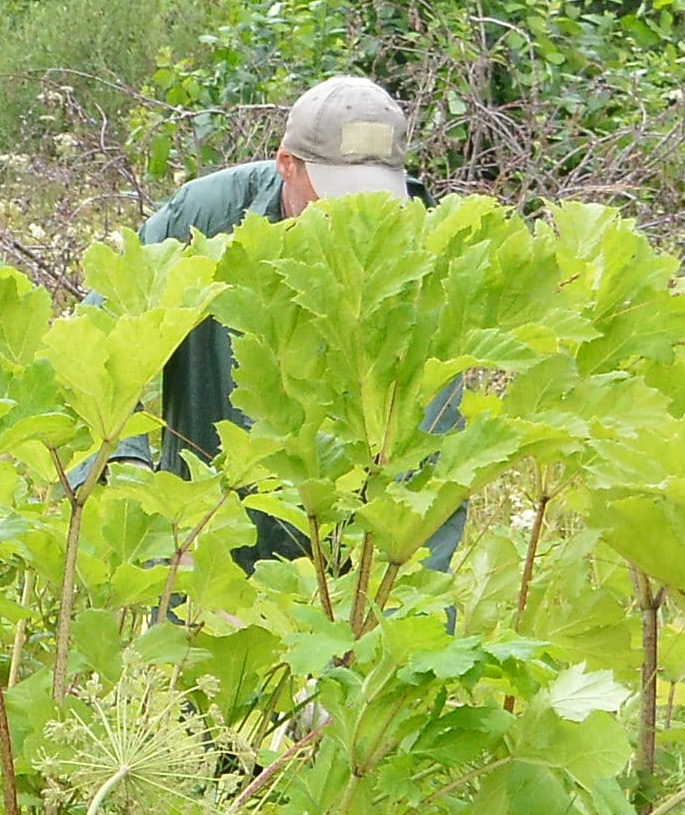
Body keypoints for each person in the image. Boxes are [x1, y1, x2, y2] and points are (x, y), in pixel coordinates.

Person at [131, 74, 463, 570]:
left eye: (374, 195)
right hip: (204, 545)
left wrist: (393, 594)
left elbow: (435, 453)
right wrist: (134, 484)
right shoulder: (206, 217)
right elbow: (106, 333)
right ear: (287, 163)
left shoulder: (423, 249)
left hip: (341, 566)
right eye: (338, 194)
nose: (356, 214)